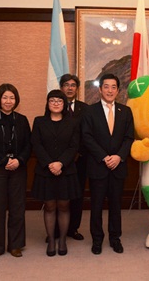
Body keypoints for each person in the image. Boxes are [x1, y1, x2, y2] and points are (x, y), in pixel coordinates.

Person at [81, 73, 134, 255]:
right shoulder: (90, 111)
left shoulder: (125, 112)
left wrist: (118, 157)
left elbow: (129, 138)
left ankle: (115, 238)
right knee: (96, 205)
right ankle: (97, 239)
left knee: (115, 205)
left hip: (118, 166)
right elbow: (86, 137)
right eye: (106, 86)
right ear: (100, 89)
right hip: (98, 166)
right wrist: (104, 157)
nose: (110, 90)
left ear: (118, 90)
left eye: (113, 87)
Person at [0, 83, 31, 259]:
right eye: (5, 97)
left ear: (16, 100)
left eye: (11, 98)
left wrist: (18, 160)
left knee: (17, 207)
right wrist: (4, 161)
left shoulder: (22, 120)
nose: (8, 101)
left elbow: (28, 145)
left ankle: (15, 245)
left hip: (18, 168)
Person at [31, 90, 80, 257]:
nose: (56, 103)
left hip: (66, 170)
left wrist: (60, 163)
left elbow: (74, 146)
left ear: (64, 104)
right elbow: (36, 145)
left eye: (59, 100)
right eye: (52, 100)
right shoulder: (39, 121)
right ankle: (51, 239)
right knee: (50, 206)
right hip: (46, 170)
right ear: (47, 103)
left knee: (64, 206)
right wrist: (50, 164)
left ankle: (63, 240)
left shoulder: (73, 122)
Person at [59, 74, 89, 240]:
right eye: (66, 85)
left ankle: (73, 229)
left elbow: (87, 134)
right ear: (61, 88)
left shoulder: (85, 109)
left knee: (77, 195)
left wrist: (78, 153)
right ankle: (55, 230)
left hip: (79, 160)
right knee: (59, 196)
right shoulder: (54, 106)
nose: (69, 88)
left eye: (73, 85)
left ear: (77, 89)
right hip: (59, 161)